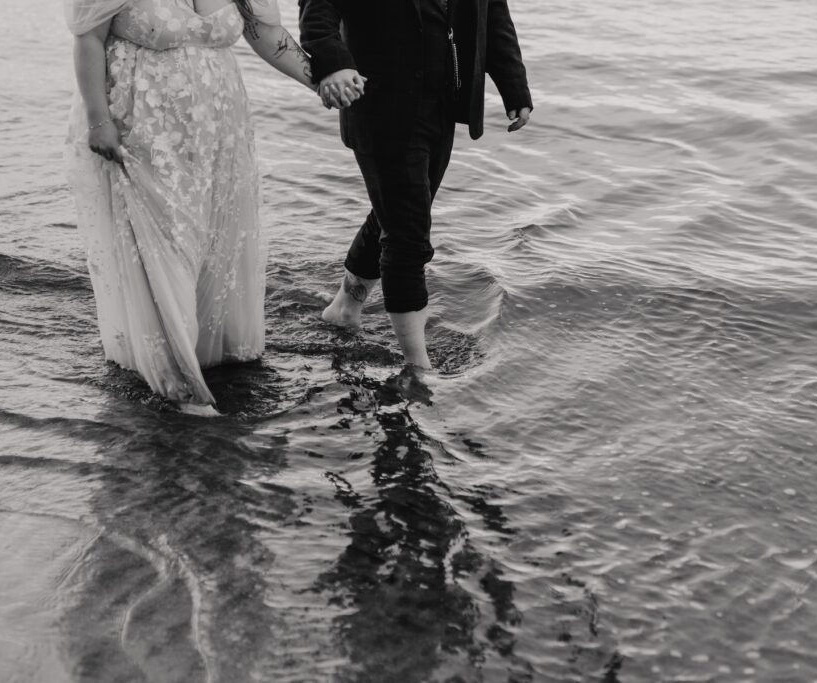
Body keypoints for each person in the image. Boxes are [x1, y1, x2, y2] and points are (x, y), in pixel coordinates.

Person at [64, 0, 316, 413]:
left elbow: (266, 35)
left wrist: (322, 80)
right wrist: (98, 120)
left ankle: (214, 361)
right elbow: (88, 37)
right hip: (145, 128)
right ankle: (179, 383)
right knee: (165, 243)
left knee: (214, 243)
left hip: (220, 131)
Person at [299, 0, 533, 370]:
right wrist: (334, 63)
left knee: (396, 214)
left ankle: (345, 308)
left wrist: (514, 87)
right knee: (408, 234)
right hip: (379, 103)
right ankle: (418, 367)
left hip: (442, 103)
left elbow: (492, 16)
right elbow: (318, 10)